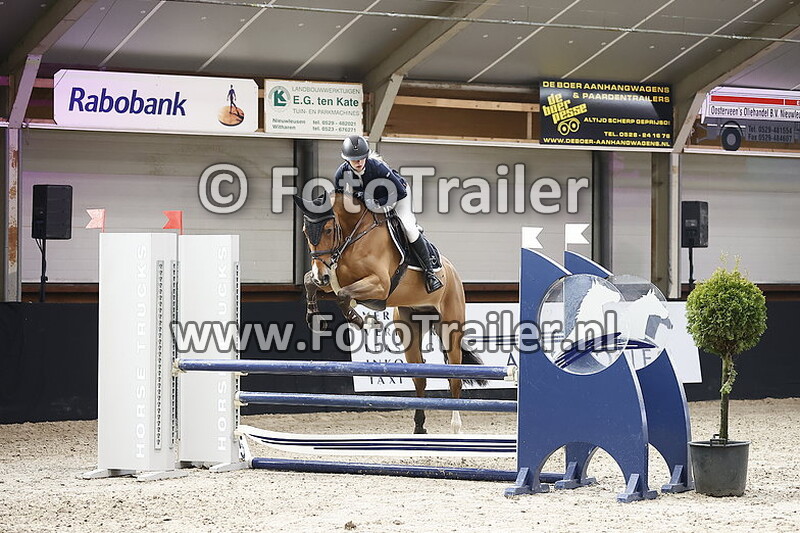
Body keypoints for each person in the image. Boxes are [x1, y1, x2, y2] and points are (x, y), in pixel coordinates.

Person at [333, 135, 442, 293]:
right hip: (370, 202)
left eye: (362, 158)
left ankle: (430, 273)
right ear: (347, 159)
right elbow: (340, 201)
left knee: (409, 228)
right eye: (354, 159)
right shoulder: (341, 174)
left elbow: (400, 191)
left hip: (396, 197)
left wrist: (377, 202)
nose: (359, 162)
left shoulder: (377, 167)